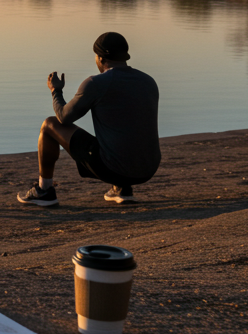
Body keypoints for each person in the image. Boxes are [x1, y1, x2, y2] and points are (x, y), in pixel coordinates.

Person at [18, 32, 160, 207]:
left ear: (100, 58)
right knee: (123, 125)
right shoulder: (148, 81)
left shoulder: (96, 83)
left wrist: (56, 91)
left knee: (49, 124)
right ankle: (122, 188)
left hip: (114, 168)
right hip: (148, 168)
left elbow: (63, 116)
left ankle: (44, 190)